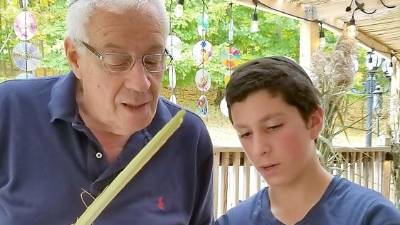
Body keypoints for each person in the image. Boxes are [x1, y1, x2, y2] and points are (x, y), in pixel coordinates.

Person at [0, 1, 213, 224]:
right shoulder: (10, 111)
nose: (141, 83)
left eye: (153, 59)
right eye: (117, 61)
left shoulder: (188, 136)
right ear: (75, 58)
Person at [215, 56, 400, 225]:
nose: (259, 149)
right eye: (246, 134)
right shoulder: (233, 221)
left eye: (273, 127)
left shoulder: (372, 217)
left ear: (314, 121)